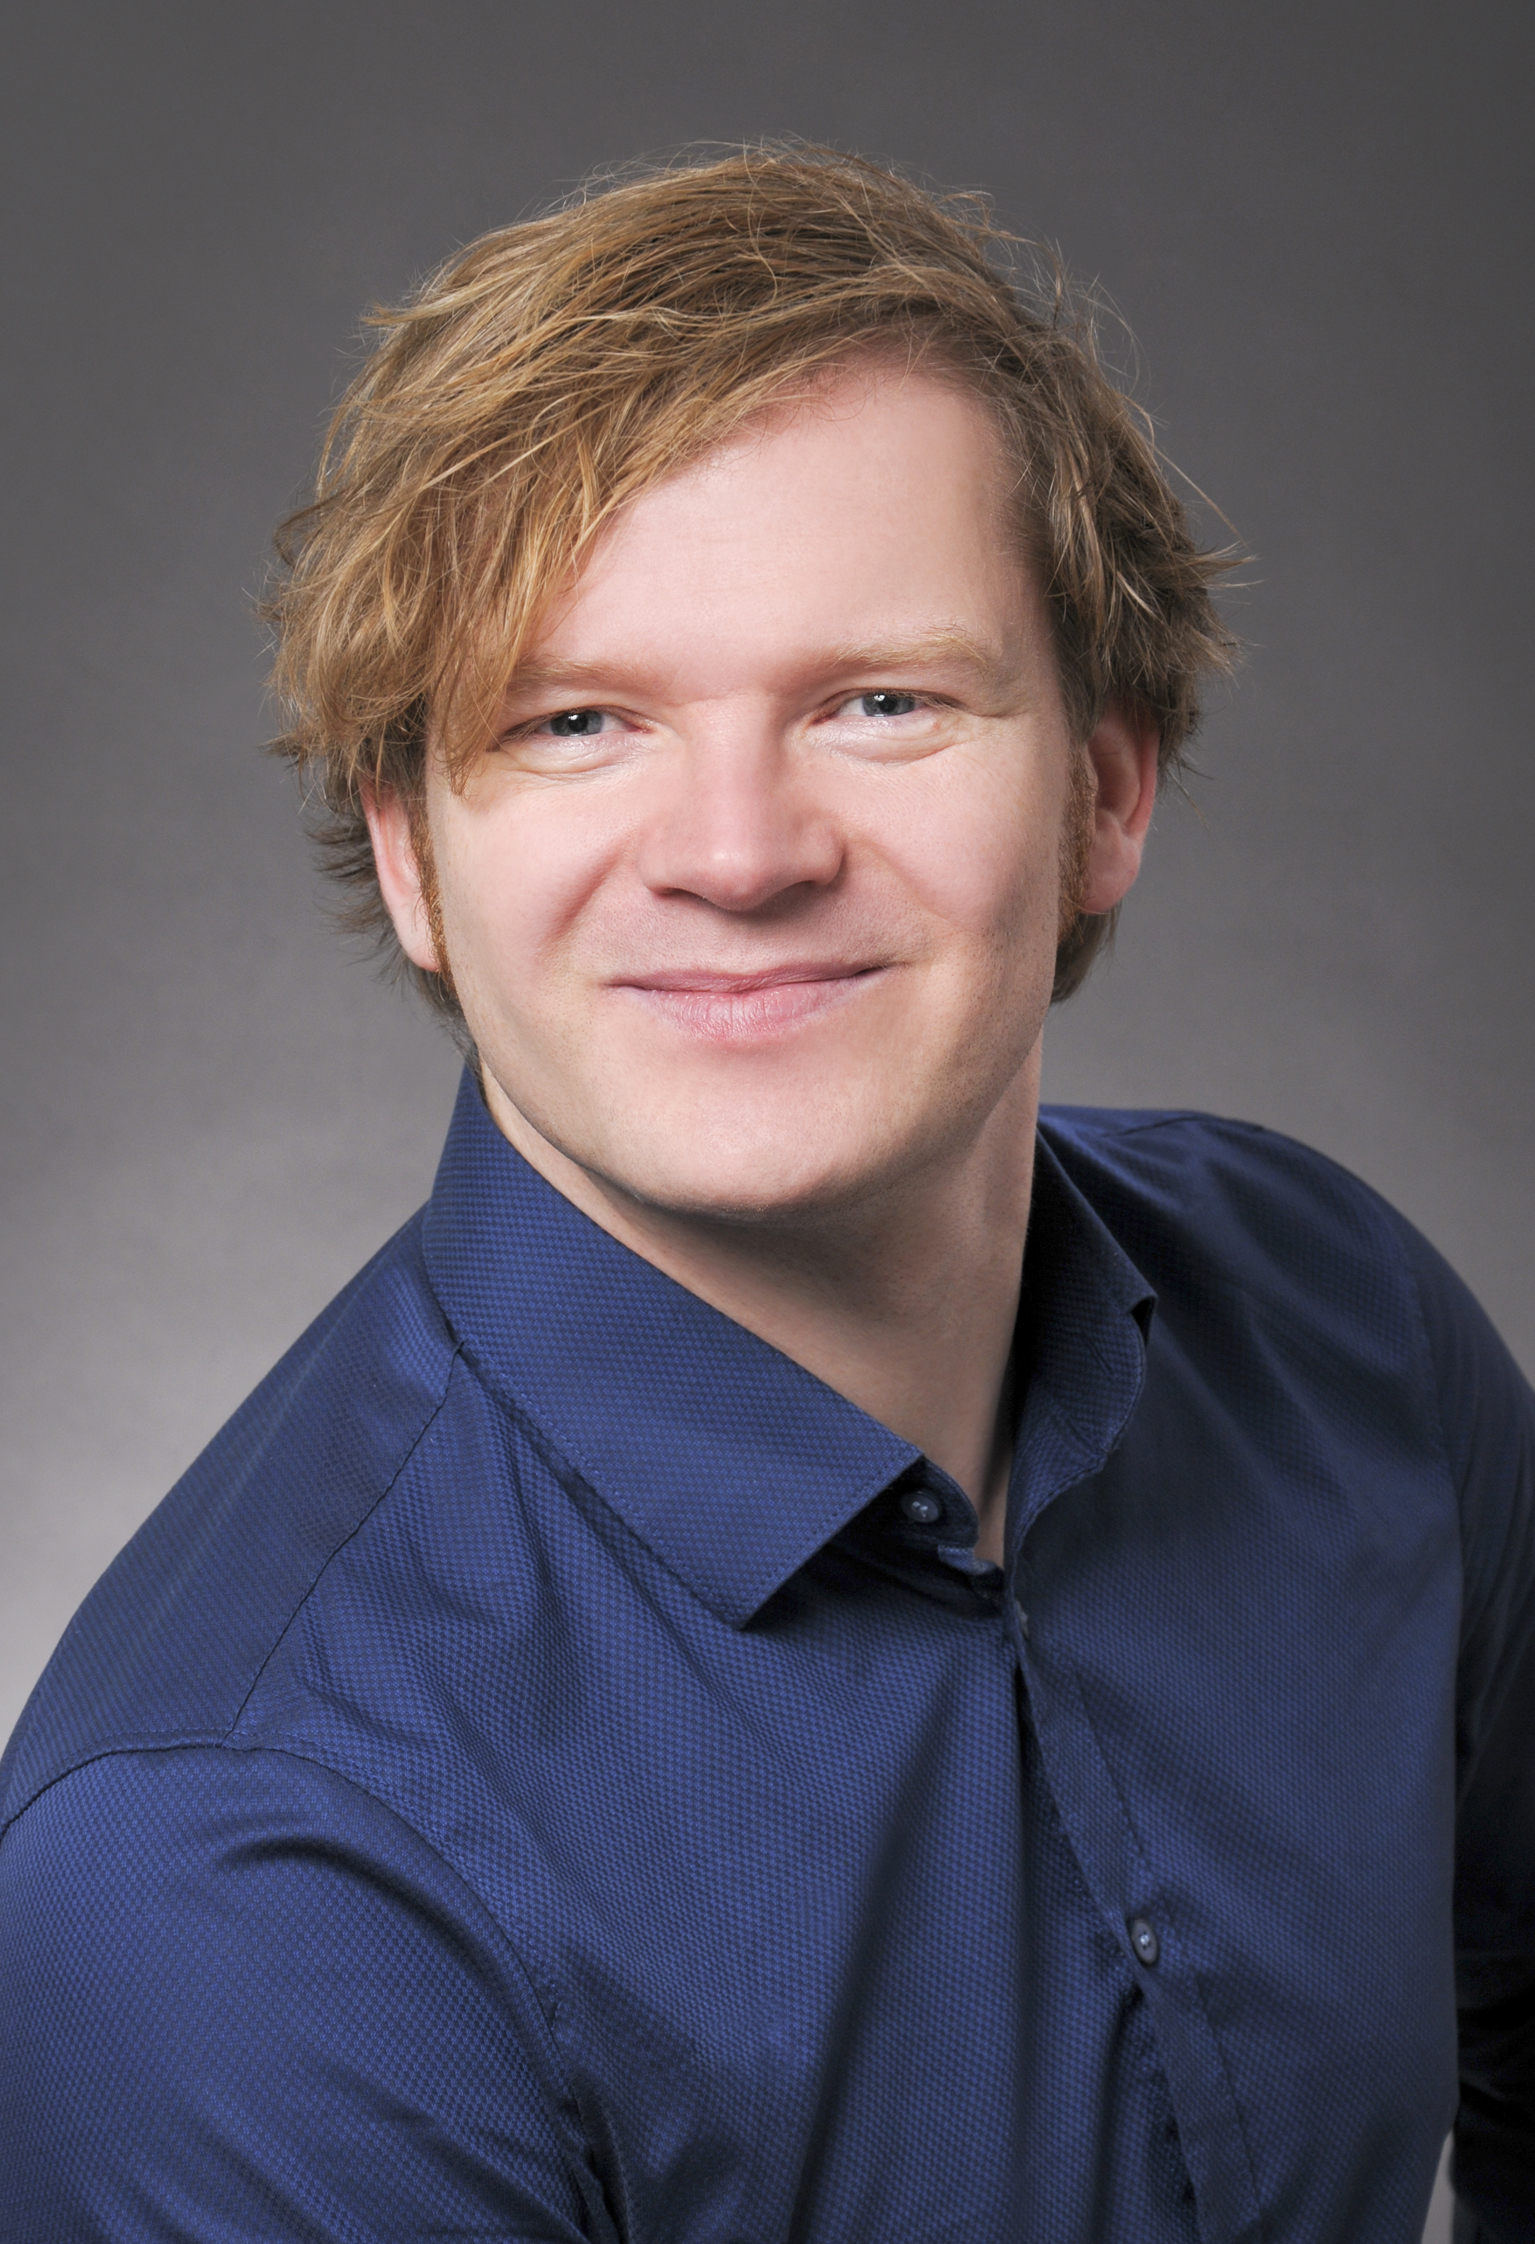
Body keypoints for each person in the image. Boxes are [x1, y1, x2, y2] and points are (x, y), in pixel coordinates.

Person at [0, 147, 1530, 2244]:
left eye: (880, 702)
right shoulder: (233, 1874)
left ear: (1104, 788)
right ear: (420, 855)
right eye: (577, 721)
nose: (736, 849)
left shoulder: (1345, 1320)